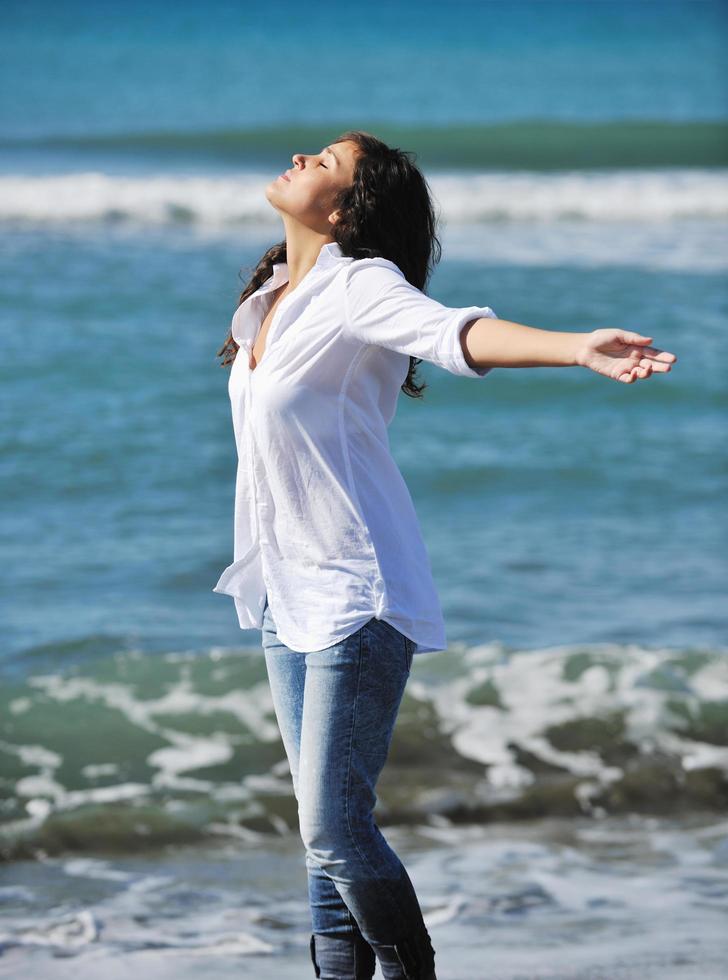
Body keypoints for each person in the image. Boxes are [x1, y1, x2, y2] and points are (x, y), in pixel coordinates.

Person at [213, 130, 677, 980]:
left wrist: (575, 347)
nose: (300, 159)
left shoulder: (358, 285)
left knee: (332, 828)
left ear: (346, 208)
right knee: (324, 842)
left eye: (324, 162)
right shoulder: (273, 296)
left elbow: (456, 334)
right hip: (285, 593)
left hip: (358, 593)